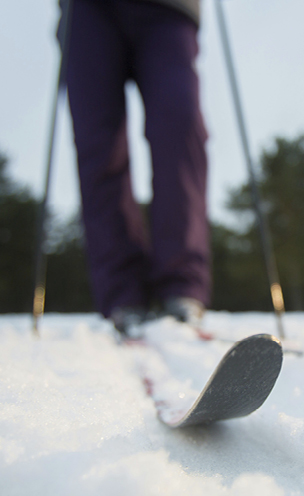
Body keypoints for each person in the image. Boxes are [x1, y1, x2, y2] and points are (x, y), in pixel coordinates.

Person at [60, 0, 210, 338]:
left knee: (180, 127)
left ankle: (181, 288)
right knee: (98, 143)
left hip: (170, 8)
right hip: (89, 10)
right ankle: (122, 295)